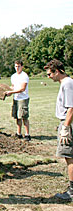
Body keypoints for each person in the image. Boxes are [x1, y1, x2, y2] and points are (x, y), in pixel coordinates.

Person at [44, 59, 73, 201]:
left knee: (70, 157)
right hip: (65, 121)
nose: (49, 77)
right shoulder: (66, 83)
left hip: (68, 123)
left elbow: (71, 108)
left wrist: (66, 127)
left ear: (57, 71)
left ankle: (72, 191)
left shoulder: (67, 84)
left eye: (50, 74)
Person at [5, 60, 30, 141]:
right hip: (16, 98)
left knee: (24, 117)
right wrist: (8, 91)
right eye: (16, 66)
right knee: (17, 117)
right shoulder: (13, 76)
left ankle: (27, 134)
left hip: (23, 99)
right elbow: (13, 86)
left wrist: (11, 92)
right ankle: (18, 133)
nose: (17, 68)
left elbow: (22, 88)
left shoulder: (24, 76)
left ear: (22, 67)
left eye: (19, 66)